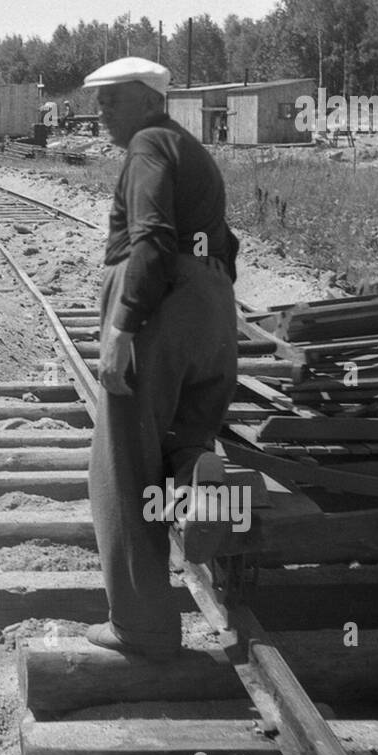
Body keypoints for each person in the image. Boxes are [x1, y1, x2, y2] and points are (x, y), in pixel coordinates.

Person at [83, 57, 240, 659]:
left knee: (122, 464)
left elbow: (151, 239)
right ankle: (197, 481)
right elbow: (223, 243)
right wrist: (207, 309)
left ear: (149, 99)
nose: (101, 110)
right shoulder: (190, 148)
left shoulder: (148, 145)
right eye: (99, 99)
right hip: (212, 311)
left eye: (113, 98)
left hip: (160, 312)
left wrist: (123, 326)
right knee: (183, 444)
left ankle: (140, 628)